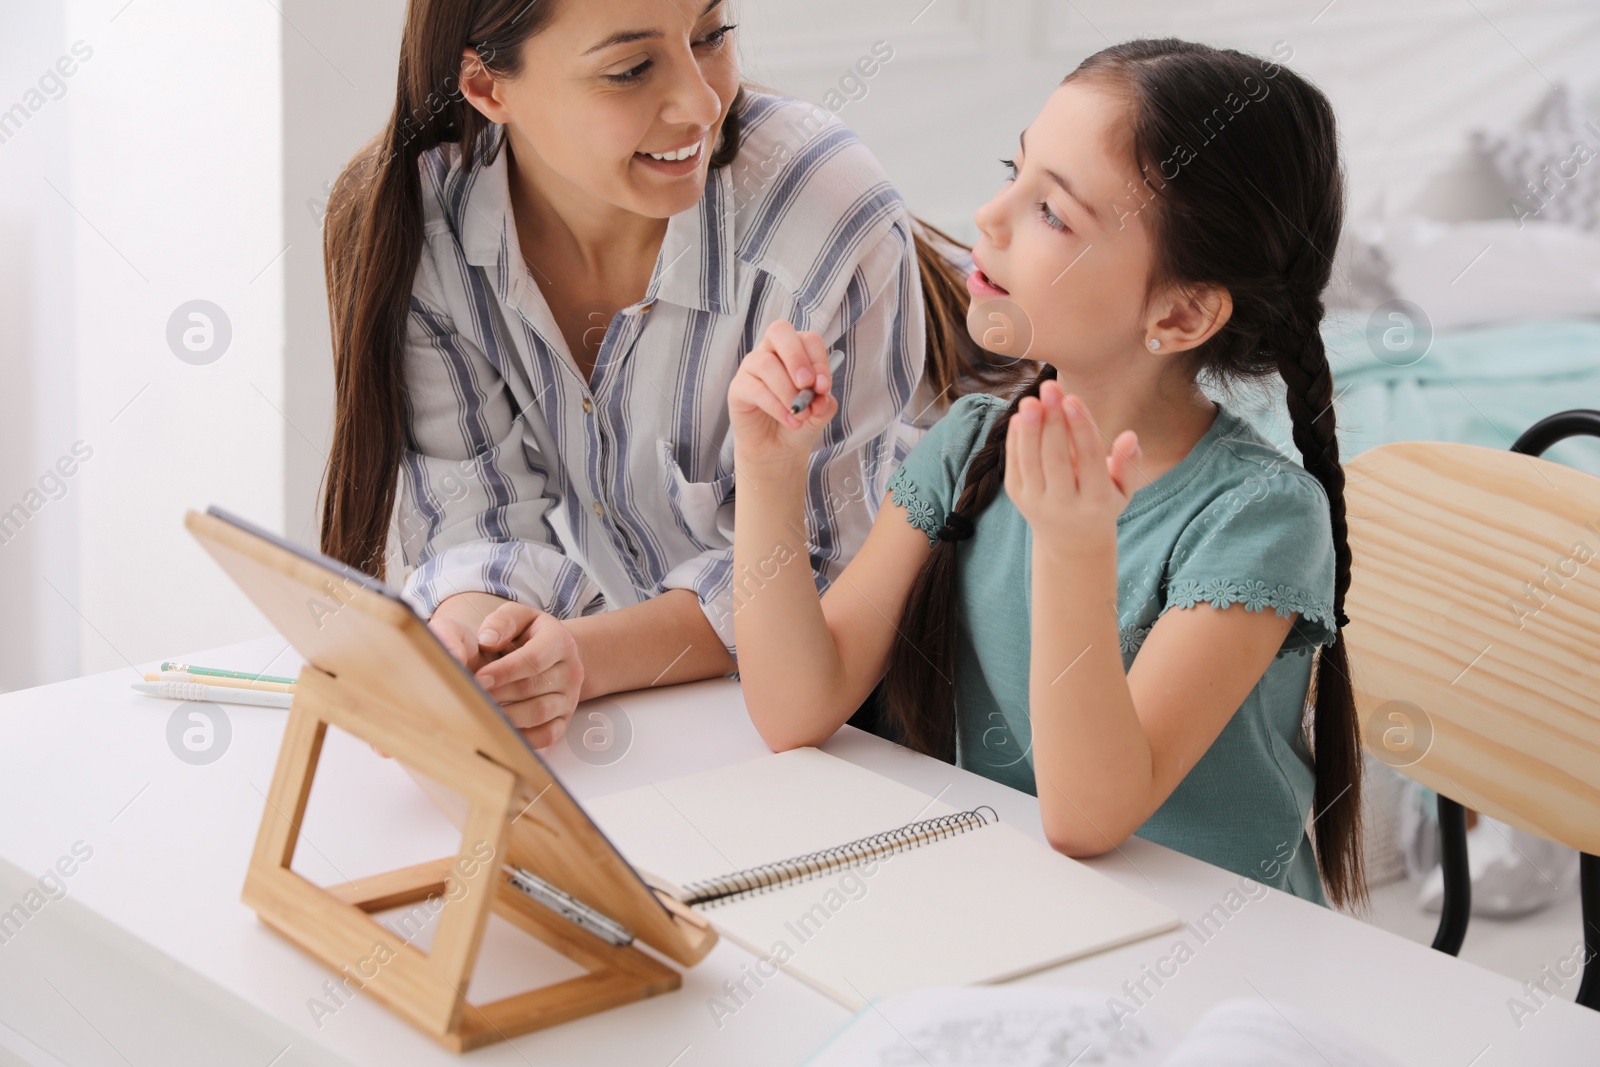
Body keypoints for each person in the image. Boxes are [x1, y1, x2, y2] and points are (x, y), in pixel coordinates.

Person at [725, 38, 1367, 908]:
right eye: (1012, 171)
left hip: (1217, 959)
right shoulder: (972, 445)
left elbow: (1091, 814)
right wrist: (768, 474)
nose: (988, 217)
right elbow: (795, 706)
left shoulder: (1259, 518)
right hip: (1025, 912)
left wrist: (1073, 548)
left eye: (1053, 213)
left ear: (1180, 313)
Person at [318, 0, 1015, 748]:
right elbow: (474, 515)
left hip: (940, 697)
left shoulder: (822, 213)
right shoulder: (426, 231)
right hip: (721, 714)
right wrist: (478, 647)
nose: (702, 101)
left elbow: (819, 576)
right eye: (631, 68)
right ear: (489, 90)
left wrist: (579, 657)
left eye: (712, 35)